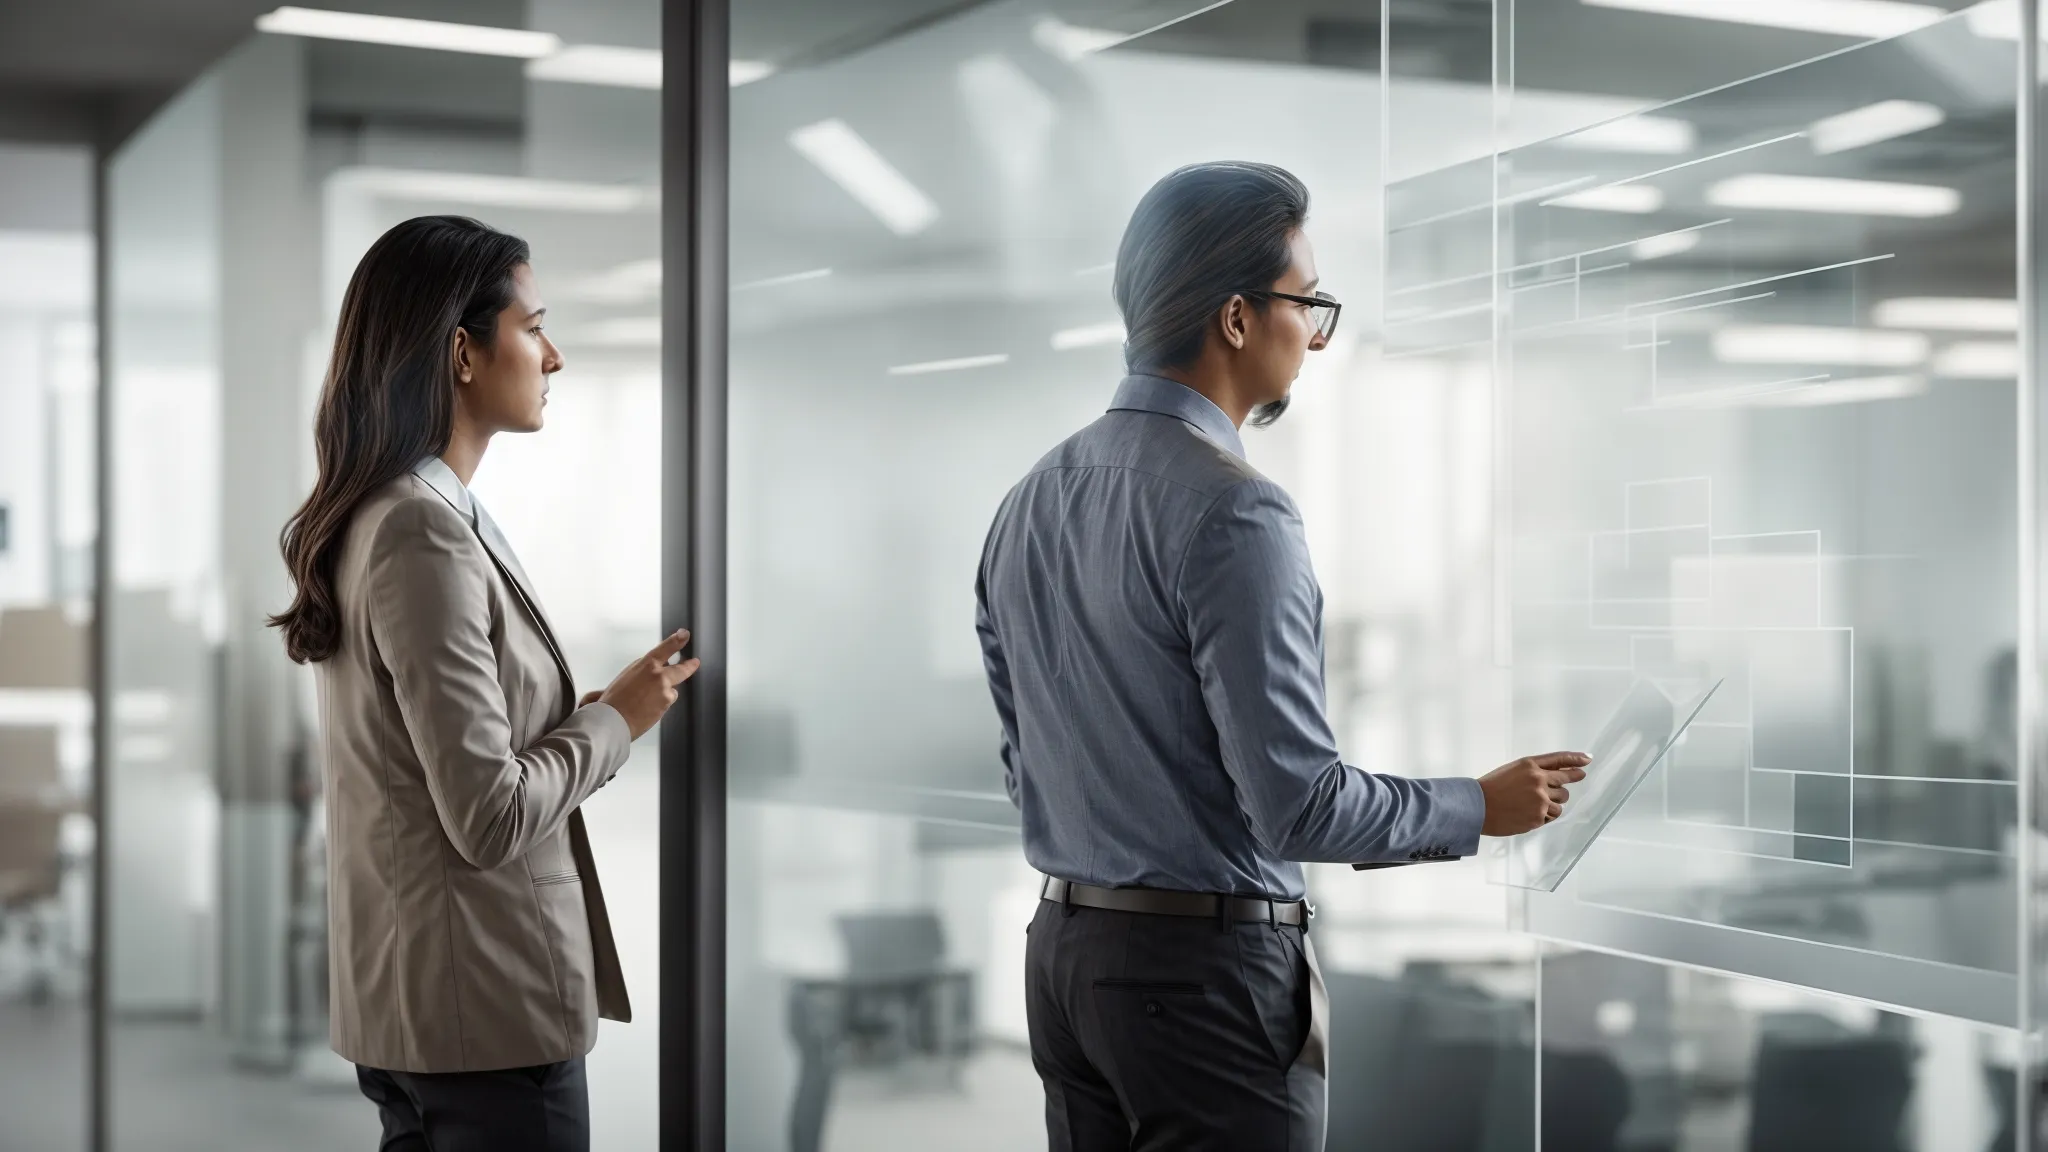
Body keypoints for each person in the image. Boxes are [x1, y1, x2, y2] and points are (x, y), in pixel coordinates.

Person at [973, 162, 1588, 1151]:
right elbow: (1294, 803)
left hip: (1065, 963)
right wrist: (1479, 804)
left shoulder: (1031, 499)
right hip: (1199, 982)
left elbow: (1023, 765)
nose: (1314, 333)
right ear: (1233, 318)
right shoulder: (1232, 509)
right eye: (1306, 303)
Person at [270, 215, 695, 1151]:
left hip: (423, 1010)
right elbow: (488, 814)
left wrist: (574, 721)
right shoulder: (420, 530)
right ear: (462, 351)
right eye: (533, 325)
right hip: (485, 1018)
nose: (554, 355)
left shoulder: (389, 513)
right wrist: (617, 724)